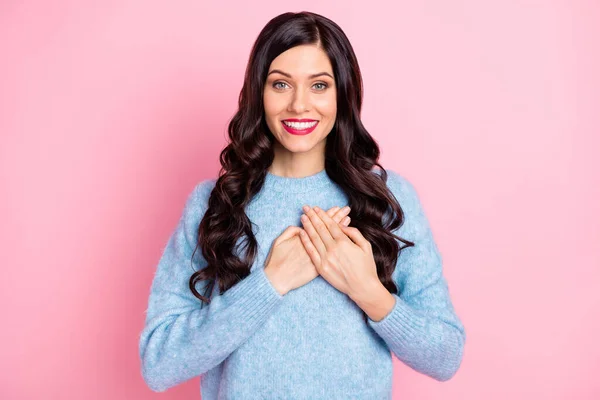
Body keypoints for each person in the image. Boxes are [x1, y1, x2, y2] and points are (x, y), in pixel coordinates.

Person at [138, 11, 465, 399]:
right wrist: (269, 284)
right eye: (280, 84)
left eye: (319, 85)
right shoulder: (215, 205)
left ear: (342, 93)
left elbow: (445, 356)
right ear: (259, 92)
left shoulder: (388, 200)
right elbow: (158, 363)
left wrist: (367, 291)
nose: (299, 104)